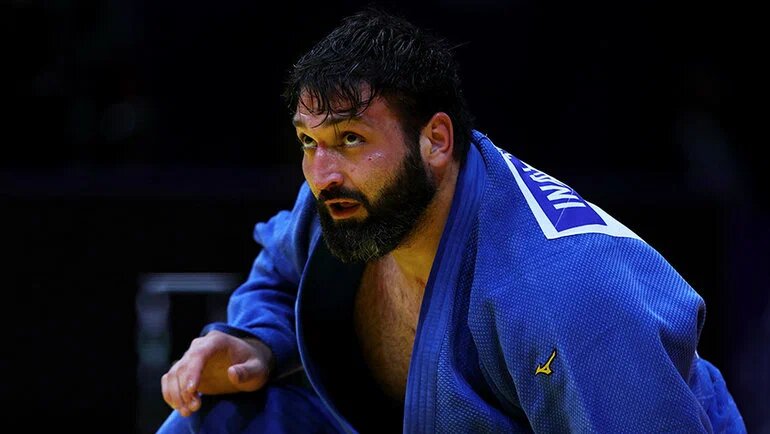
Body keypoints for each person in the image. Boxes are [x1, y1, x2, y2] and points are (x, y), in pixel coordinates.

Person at [157, 6, 746, 433]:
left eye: (351, 138)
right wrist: (253, 342)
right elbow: (283, 272)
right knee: (214, 419)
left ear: (435, 140)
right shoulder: (345, 201)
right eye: (309, 142)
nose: (322, 172)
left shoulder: (567, 294)